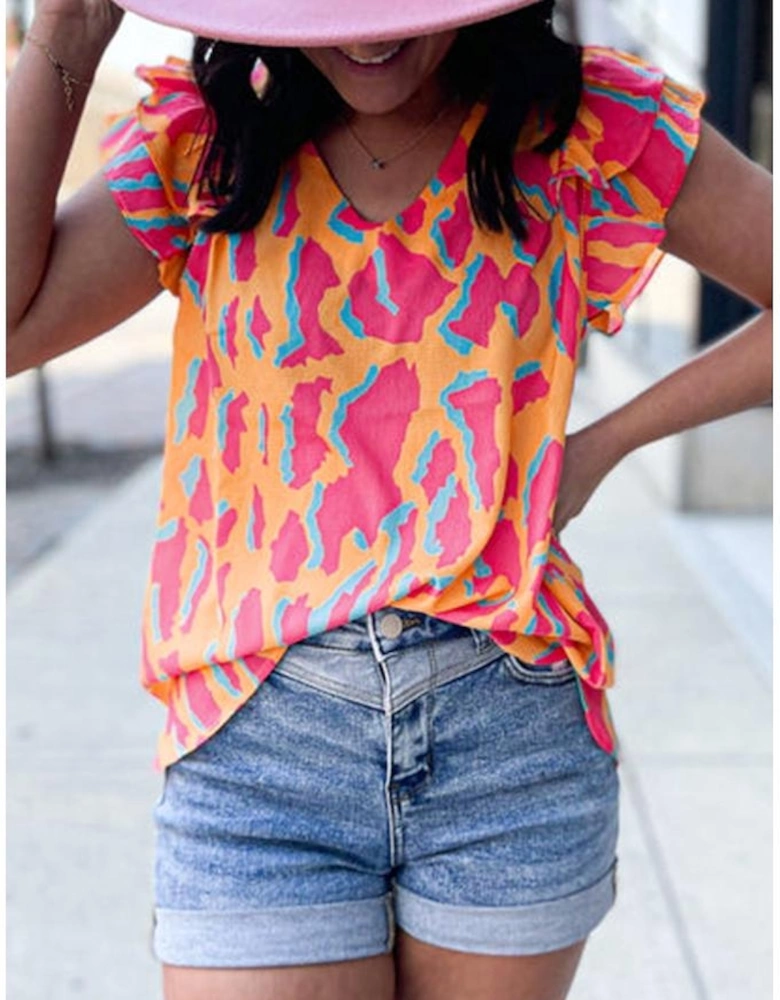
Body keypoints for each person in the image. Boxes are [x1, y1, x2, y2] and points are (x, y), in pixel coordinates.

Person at [7, 0, 771, 997]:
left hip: (509, 733)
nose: (367, 29)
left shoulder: (586, 127)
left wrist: (602, 448)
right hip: (258, 748)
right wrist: (66, 35)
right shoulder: (205, 142)